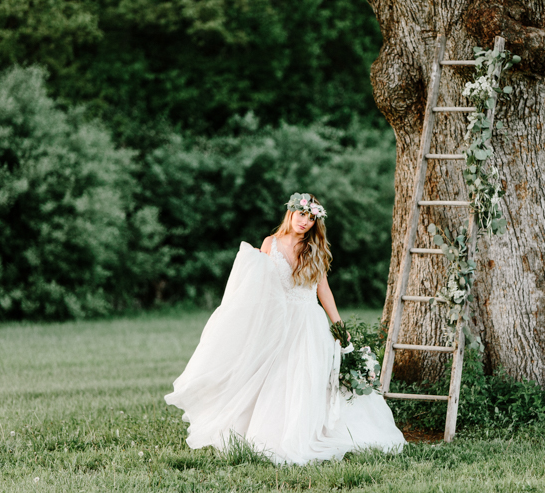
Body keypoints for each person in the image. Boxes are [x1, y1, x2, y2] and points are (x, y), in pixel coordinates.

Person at [165, 193, 406, 465]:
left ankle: (304, 432)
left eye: (312, 218)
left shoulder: (314, 248)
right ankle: (270, 432)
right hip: (278, 320)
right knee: (275, 376)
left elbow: (323, 289)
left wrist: (339, 325)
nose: (305, 222)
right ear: (291, 213)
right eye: (302, 214)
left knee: (306, 376)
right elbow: (260, 285)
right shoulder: (271, 243)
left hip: (308, 321)